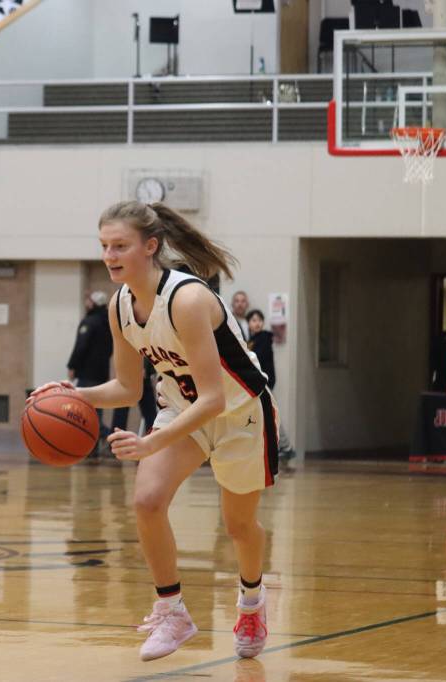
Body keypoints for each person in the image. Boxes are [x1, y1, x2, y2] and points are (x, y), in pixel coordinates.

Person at [28, 200, 278, 662]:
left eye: (119, 246)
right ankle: (172, 611)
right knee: (146, 500)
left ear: (151, 246)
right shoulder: (120, 307)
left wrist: (150, 441)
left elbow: (215, 398)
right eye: (104, 246)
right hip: (183, 409)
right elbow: (126, 388)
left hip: (241, 413)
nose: (109, 256)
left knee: (239, 526)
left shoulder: (187, 300)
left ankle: (252, 600)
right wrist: (72, 394)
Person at [247, 309, 296, 461]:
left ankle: (286, 446)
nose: (257, 323)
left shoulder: (264, 338)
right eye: (254, 320)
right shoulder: (251, 340)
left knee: (270, 414)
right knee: (262, 415)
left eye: (259, 320)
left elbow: (256, 358)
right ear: (249, 324)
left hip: (264, 382)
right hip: (256, 382)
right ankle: (279, 446)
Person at [67, 290, 112, 453]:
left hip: (87, 373)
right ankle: (92, 449)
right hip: (102, 372)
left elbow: (81, 347)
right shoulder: (109, 322)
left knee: (86, 413)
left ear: (93, 303)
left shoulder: (89, 322)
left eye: (88, 301)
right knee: (96, 412)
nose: (86, 303)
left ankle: (111, 438)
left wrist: (72, 366)